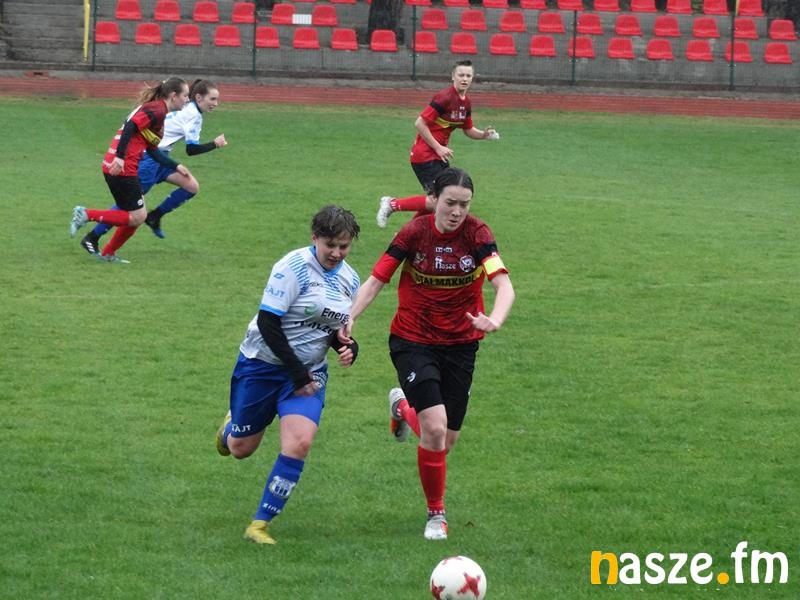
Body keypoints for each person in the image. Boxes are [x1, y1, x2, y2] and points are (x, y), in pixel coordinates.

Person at [341, 167, 514, 540]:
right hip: (412, 339)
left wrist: (495, 319)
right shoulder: (414, 233)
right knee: (434, 428)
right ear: (434, 199)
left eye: (464, 204)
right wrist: (350, 317)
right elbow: (376, 280)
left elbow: (503, 284)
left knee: (445, 441)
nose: (457, 211)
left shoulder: (478, 234)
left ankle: (402, 408)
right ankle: (436, 515)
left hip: (461, 345)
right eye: (450, 203)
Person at [215, 205, 361, 545]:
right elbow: (268, 324)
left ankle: (259, 525)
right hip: (263, 366)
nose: (336, 253)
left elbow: (332, 328)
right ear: (315, 238)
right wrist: (296, 372)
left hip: (309, 373)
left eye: (343, 246)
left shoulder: (350, 279)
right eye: (330, 245)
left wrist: (349, 346)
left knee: (300, 442)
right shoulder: (292, 267)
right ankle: (231, 426)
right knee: (240, 448)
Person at [79, 79, 227, 254]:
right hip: (151, 159)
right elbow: (191, 149)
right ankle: (93, 237)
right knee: (131, 206)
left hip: (162, 157)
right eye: (212, 99)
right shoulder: (193, 115)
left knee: (191, 186)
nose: (216, 103)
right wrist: (215, 144)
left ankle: (154, 216)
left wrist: (175, 165)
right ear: (199, 97)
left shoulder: (182, 106)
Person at [69, 77, 191, 263]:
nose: (187, 100)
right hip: (123, 168)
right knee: (137, 216)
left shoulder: (159, 113)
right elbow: (130, 126)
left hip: (119, 166)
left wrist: (175, 165)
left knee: (136, 215)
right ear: (174, 95)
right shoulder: (157, 110)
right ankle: (86, 215)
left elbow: (152, 149)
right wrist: (119, 157)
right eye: (186, 95)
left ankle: (108, 252)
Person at [376, 60, 499, 228]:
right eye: (461, 75)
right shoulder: (444, 97)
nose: (464, 78)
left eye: (468, 75)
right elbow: (420, 123)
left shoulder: (465, 103)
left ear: (472, 78)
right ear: (453, 76)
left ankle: (408, 233)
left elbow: (468, 129)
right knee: (439, 200)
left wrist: (484, 135)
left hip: (438, 156)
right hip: (424, 156)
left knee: (438, 200)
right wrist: (438, 147)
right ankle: (392, 204)